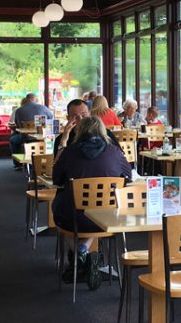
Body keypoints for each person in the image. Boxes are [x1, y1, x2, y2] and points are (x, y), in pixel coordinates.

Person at [52, 116, 131, 288]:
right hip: (108, 218)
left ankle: (82, 253)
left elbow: (56, 179)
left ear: (79, 131)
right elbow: (128, 176)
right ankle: (84, 251)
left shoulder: (70, 152)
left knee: (61, 213)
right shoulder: (114, 152)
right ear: (103, 131)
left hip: (72, 217)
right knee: (97, 212)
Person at [9, 93, 54, 169]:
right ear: (35, 99)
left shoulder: (19, 110)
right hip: (43, 137)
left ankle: (18, 164)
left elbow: (17, 124)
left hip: (26, 137)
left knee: (12, 139)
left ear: (26, 99)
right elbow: (51, 118)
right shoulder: (43, 108)